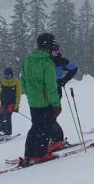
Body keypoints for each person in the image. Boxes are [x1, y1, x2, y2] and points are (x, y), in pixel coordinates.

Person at [19, 32, 63, 166]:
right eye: (53, 44)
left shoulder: (28, 60)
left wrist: (32, 95)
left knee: (35, 127)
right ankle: (40, 154)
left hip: (33, 102)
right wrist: (56, 104)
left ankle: (29, 153)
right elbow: (51, 87)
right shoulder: (47, 63)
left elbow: (24, 81)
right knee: (45, 128)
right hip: (45, 103)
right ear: (48, 45)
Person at [47, 42, 79, 149]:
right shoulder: (45, 60)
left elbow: (74, 68)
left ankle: (58, 140)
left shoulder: (60, 60)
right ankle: (55, 139)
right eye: (54, 48)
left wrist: (64, 80)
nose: (57, 50)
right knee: (46, 115)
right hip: (45, 91)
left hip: (56, 89)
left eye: (58, 48)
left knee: (50, 115)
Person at [0, 67, 23, 142]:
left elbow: (18, 95)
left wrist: (16, 106)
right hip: (3, 103)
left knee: (7, 116)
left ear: (12, 75)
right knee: (0, 116)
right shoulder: (2, 82)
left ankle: (7, 133)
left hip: (11, 103)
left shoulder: (16, 82)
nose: (7, 77)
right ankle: (1, 133)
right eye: (6, 75)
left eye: (9, 75)